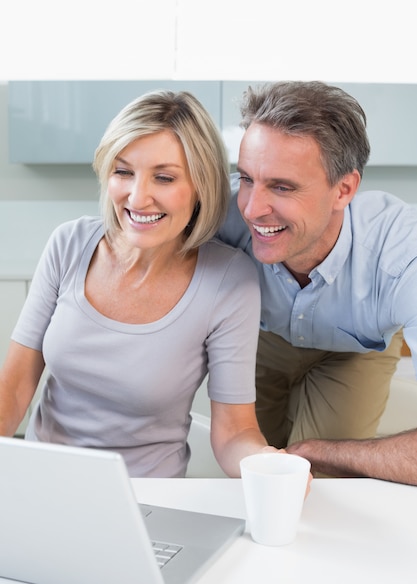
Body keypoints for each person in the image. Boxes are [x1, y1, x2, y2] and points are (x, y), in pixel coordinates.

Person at [0, 89, 276, 478]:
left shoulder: (230, 281)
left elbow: (234, 431)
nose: (138, 196)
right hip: (45, 484)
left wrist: (268, 467)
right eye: (123, 171)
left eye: (163, 178)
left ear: (202, 185)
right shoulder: (69, 244)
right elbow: (11, 391)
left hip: (148, 501)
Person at [217, 80, 417, 484]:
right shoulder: (219, 214)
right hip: (260, 337)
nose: (252, 208)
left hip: (352, 353)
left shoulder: (402, 255)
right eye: (248, 179)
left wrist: (318, 453)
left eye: (282, 186)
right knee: (250, 477)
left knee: (318, 485)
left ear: (344, 189)